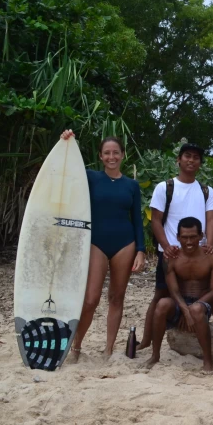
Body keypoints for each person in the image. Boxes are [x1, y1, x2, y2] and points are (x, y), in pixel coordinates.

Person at [60, 131, 146, 361]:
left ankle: (108, 349)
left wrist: (141, 250)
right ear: (100, 156)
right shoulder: (90, 177)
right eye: (107, 153)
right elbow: (65, 168)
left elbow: (137, 219)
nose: (111, 156)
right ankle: (77, 345)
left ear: (123, 155)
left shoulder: (131, 185)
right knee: (90, 299)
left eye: (115, 152)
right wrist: (66, 141)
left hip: (125, 243)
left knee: (117, 297)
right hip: (96, 242)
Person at [138, 142, 213, 350]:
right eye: (187, 156)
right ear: (178, 159)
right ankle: (146, 341)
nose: (191, 160)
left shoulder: (206, 191)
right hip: (171, 253)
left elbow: (212, 220)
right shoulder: (165, 187)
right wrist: (166, 245)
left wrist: (210, 244)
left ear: (200, 163)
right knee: (161, 295)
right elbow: (156, 220)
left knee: (210, 294)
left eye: (196, 157)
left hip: (199, 253)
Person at [144, 217, 213, 373]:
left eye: (193, 237)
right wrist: (185, 310)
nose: (189, 242)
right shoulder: (171, 258)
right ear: (178, 237)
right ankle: (155, 355)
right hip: (180, 300)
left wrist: (192, 308)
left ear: (201, 236)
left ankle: (208, 361)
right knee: (162, 305)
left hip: (202, 301)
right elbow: (173, 290)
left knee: (197, 310)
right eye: (184, 237)